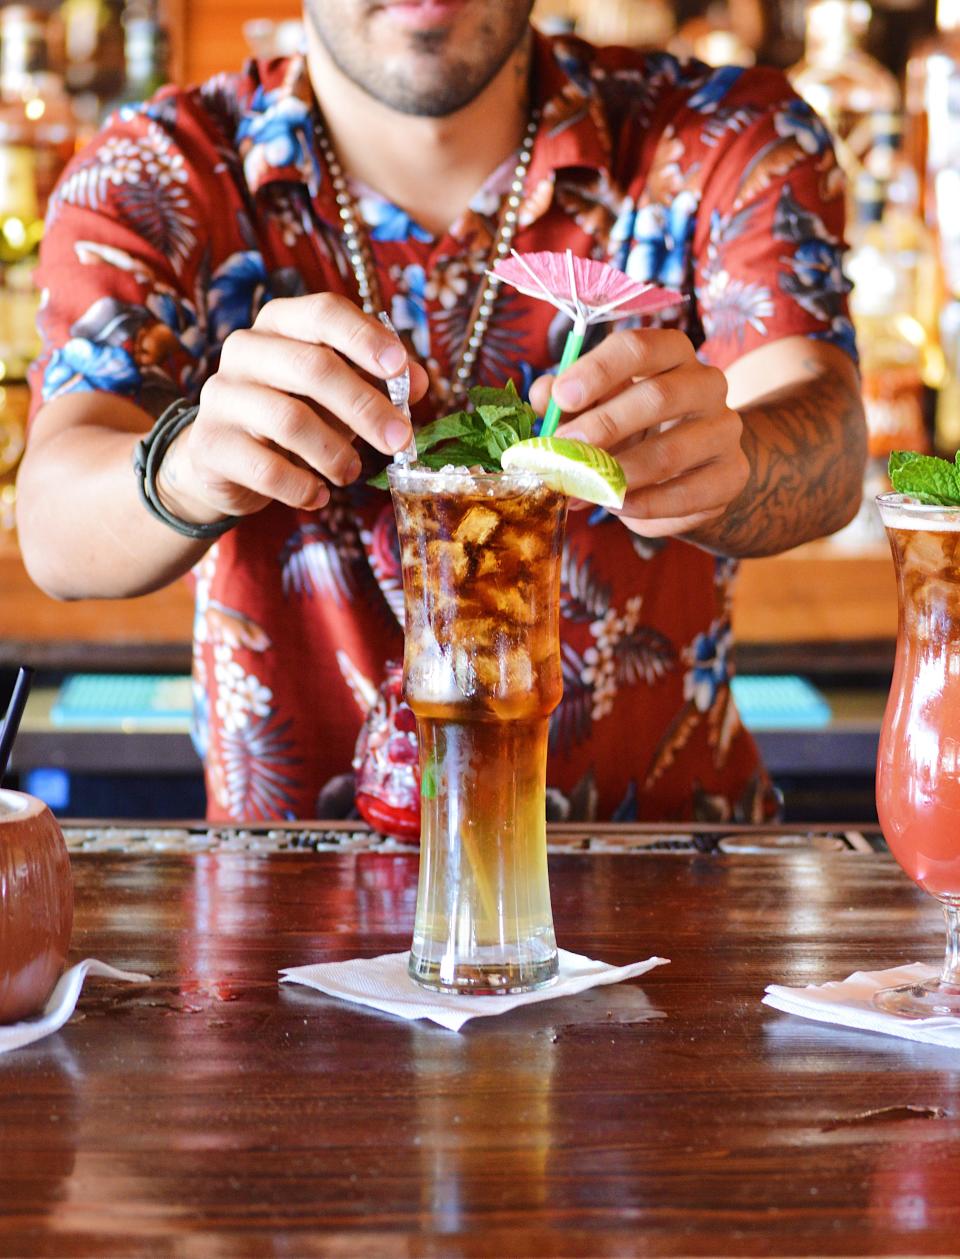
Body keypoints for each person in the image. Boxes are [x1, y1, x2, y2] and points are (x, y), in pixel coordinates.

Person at [17, 0, 866, 824]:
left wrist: (740, 458)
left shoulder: (723, 134)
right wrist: (192, 465)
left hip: (669, 880)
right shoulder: (156, 170)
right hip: (285, 906)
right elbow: (55, 526)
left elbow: (826, 428)